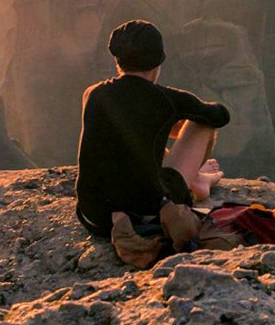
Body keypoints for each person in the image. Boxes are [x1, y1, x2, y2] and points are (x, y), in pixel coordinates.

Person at [74, 20, 230, 243]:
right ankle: (197, 181)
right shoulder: (167, 100)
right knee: (202, 123)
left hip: (94, 217)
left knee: (135, 133)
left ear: (118, 61)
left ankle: (197, 177)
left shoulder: (93, 93)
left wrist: (164, 124)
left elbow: (124, 123)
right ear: (158, 62)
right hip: (146, 214)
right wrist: (181, 115)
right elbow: (220, 116)